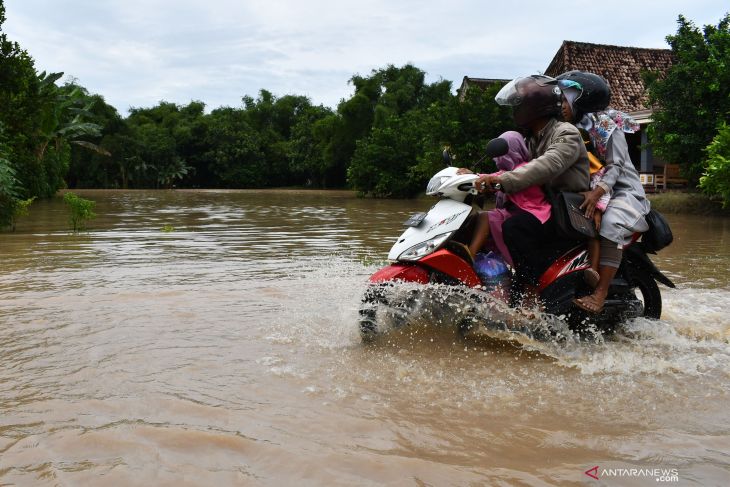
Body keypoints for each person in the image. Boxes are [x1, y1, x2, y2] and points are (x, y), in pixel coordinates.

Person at [475, 75, 590, 307]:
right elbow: (515, 164)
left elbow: (546, 165)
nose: (515, 109)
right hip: (548, 207)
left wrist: (502, 182)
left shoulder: (565, 133)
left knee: (515, 227)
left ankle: (532, 290)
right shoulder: (533, 139)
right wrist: (476, 177)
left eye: (518, 104)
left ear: (533, 106)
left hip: (568, 211)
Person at [557, 70, 651, 313]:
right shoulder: (569, 127)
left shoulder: (607, 127)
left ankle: (600, 293)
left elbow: (615, 166)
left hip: (623, 192)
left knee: (609, 224)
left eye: (565, 99)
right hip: (591, 190)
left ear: (581, 100)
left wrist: (598, 194)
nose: (561, 105)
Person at [462, 131, 551, 264]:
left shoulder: (524, 169)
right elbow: (495, 176)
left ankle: (470, 257)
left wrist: (479, 177)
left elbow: (501, 177)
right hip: (514, 213)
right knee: (479, 216)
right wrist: (471, 176)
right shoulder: (509, 172)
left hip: (534, 213)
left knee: (486, 217)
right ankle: (470, 254)